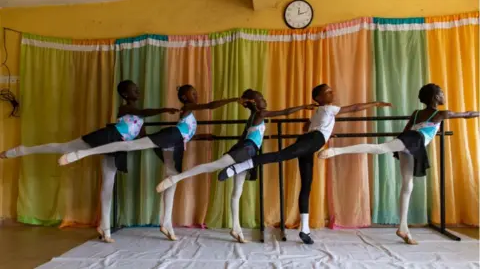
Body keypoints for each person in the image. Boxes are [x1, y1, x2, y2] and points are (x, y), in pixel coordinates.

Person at [58, 84, 248, 241]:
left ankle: (166, 223)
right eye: (192, 93)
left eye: (196, 92)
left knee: (172, 178)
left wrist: (202, 136)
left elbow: (187, 133)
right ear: (183, 97)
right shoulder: (188, 108)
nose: (195, 95)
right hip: (171, 137)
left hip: (176, 144)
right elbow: (210, 106)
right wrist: (233, 100)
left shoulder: (190, 115)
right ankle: (82, 153)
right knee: (130, 146)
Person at [0, 80, 179, 243]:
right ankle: (20, 150)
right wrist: (164, 110)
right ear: (125, 95)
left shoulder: (140, 121)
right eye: (134, 89)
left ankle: (105, 228)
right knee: (62, 148)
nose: (137, 90)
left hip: (116, 149)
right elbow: (141, 112)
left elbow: (146, 141)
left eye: (137, 88)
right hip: (106, 137)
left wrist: (162, 158)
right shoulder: (125, 109)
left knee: (108, 184)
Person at [217, 83, 392, 244]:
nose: (332, 93)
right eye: (328, 92)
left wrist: (326, 133)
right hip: (312, 141)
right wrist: (375, 103)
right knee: (280, 156)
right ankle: (238, 167)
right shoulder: (330, 108)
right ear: (319, 98)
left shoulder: (320, 112)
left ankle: (305, 229)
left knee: (306, 184)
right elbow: (355, 108)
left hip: (311, 141)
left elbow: (309, 127)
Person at [317, 83, 479, 245]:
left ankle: (403, 228)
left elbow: (406, 129)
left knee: (408, 185)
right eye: (441, 93)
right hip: (413, 141)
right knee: (380, 149)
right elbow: (467, 114)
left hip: (410, 143)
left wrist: (399, 143)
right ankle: (335, 151)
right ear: (436, 97)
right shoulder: (442, 113)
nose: (444, 96)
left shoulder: (417, 113)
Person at [156, 88, 317, 243]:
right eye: (261, 98)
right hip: (246, 151)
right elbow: (285, 112)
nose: (265, 100)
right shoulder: (260, 114)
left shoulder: (253, 117)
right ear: (253, 102)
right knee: (213, 166)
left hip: (248, 151)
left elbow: (244, 137)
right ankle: (176, 178)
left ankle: (236, 228)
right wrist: (303, 107)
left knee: (237, 191)